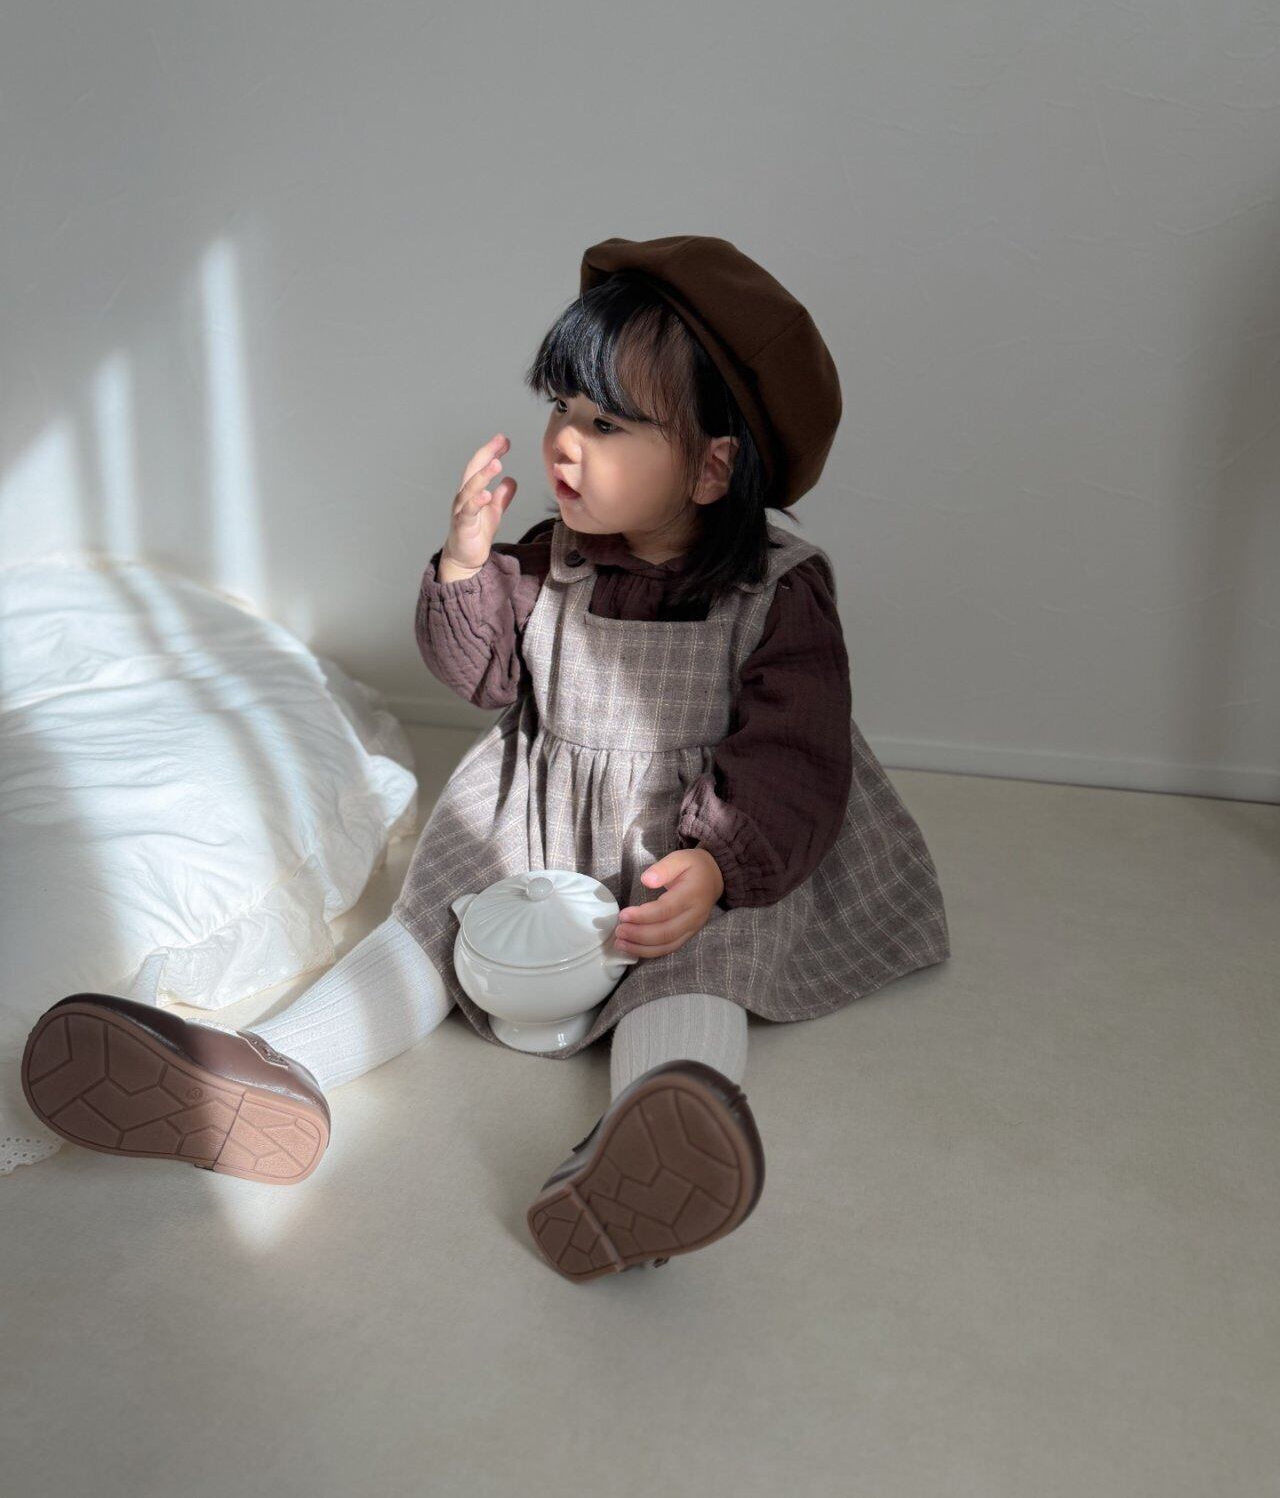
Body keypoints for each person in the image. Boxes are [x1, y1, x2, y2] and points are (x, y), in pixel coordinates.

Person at [22, 234, 950, 1283]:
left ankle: (655, 1134)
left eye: (606, 424)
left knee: (701, 955)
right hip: (544, 816)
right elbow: (486, 676)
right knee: (437, 917)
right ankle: (270, 1069)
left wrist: (721, 861)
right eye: (561, 407)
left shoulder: (777, 590)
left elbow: (794, 752)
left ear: (710, 466)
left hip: (694, 838)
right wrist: (466, 570)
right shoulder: (552, 559)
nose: (563, 443)